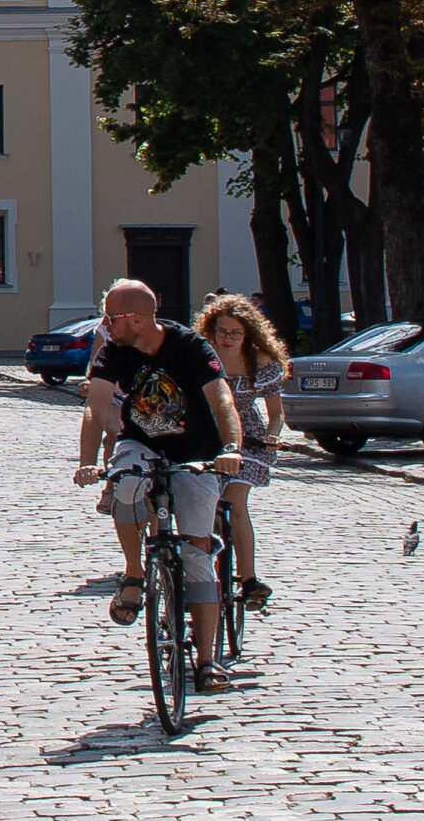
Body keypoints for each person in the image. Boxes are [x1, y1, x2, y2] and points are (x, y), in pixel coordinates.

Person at [74, 279, 245, 693]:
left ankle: (206, 661)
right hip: (141, 442)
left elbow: (222, 399)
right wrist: (88, 461)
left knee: (197, 553)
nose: (105, 325)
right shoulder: (113, 352)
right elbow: (96, 407)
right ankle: (134, 573)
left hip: (196, 451)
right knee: (126, 484)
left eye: (111, 318)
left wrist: (231, 447)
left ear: (136, 319)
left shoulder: (190, 347)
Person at [197, 292, 288, 612]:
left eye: (236, 333)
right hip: (207, 436)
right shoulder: (201, 354)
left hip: (249, 441)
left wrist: (273, 437)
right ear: (211, 329)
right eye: (222, 332)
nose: (228, 339)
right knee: (202, 503)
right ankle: (200, 574)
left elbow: (276, 414)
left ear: (247, 333)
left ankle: (248, 579)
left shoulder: (260, 361)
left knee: (235, 503)